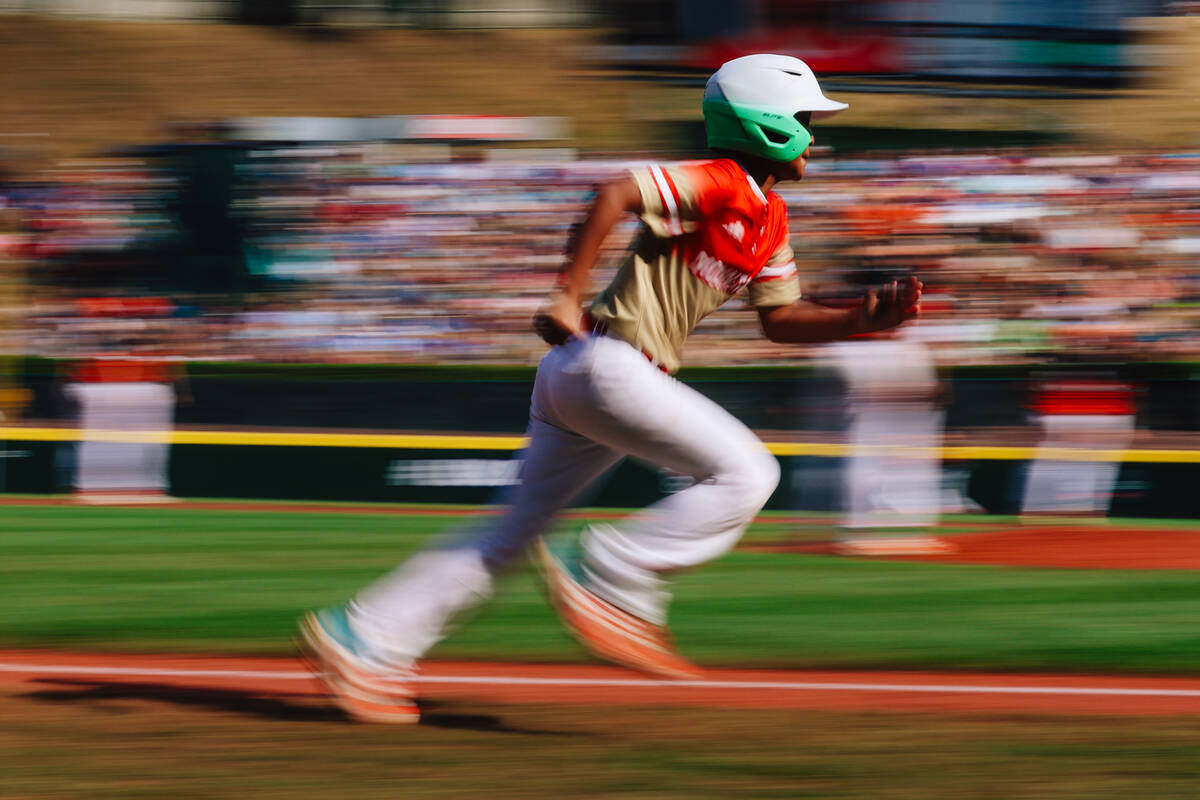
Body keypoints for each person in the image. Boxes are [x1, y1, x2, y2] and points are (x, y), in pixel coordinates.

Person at [299, 53, 922, 724]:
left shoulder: (770, 217)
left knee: (509, 535)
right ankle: (611, 572)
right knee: (748, 473)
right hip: (610, 365)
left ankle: (365, 642)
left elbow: (781, 319)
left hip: (589, 376)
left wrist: (861, 320)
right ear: (768, 123)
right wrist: (566, 292)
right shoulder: (721, 181)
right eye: (806, 118)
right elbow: (618, 193)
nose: (814, 132)